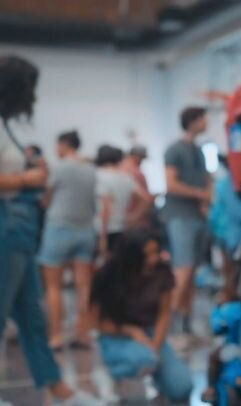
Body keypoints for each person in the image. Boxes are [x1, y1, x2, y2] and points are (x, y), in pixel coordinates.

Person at [0, 55, 98, 405]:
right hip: (8, 227)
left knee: (32, 314)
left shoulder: (7, 126)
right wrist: (27, 177)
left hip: (21, 229)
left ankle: (57, 386)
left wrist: (30, 172)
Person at [90, 229, 193, 403]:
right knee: (144, 359)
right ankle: (112, 374)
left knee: (182, 387)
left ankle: (156, 376)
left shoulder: (161, 272)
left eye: (156, 252)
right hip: (116, 335)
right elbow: (96, 322)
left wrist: (156, 345)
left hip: (151, 332)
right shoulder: (108, 275)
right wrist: (130, 331)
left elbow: (164, 314)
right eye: (148, 254)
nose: (154, 259)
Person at [38, 130, 98, 350]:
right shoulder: (90, 170)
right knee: (84, 287)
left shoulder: (60, 168)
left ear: (63, 144)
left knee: (54, 286)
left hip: (59, 228)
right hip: (85, 230)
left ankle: (55, 336)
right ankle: (82, 334)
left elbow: (47, 198)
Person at [163, 106, 212, 336]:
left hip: (196, 216)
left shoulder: (200, 151)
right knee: (182, 272)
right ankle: (168, 328)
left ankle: (185, 324)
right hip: (179, 217)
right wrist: (201, 194)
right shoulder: (174, 150)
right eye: (203, 118)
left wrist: (205, 199)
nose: (206, 122)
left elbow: (206, 180)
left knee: (191, 274)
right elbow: (171, 185)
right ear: (192, 121)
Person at [208, 154, 241, 303]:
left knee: (229, 272)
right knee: (233, 273)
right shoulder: (232, 183)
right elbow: (240, 213)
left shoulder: (222, 183)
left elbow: (214, 213)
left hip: (223, 233)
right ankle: (233, 305)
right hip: (233, 235)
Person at [95, 145, 153, 258]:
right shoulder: (126, 178)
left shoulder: (98, 176)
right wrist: (134, 217)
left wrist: (103, 238)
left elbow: (105, 206)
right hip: (121, 227)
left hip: (101, 229)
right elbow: (147, 198)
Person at [121, 145, 152, 228]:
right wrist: (135, 217)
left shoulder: (119, 170)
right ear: (137, 157)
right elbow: (147, 199)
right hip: (135, 221)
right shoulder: (136, 173)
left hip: (122, 219)